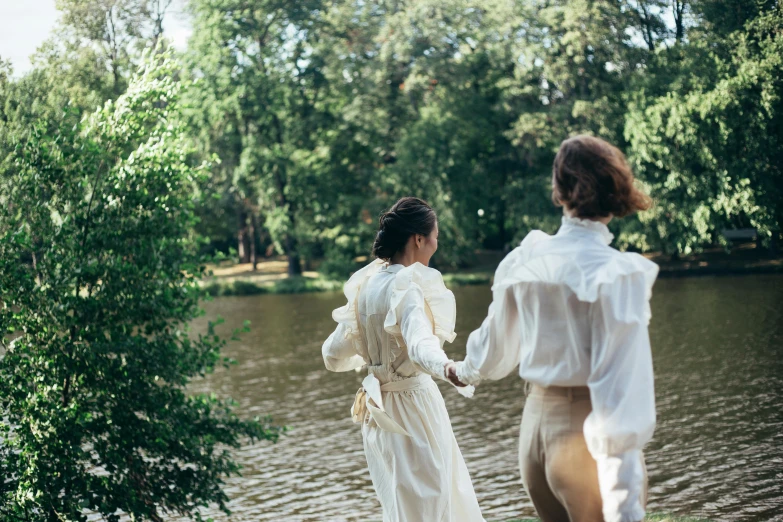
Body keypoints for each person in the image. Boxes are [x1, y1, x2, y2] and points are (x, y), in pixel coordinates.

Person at [451, 135, 659, 522]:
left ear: (559, 191)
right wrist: (627, 511)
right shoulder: (616, 273)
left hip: (534, 434)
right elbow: (622, 397)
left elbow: (495, 348)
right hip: (585, 437)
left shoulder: (526, 259)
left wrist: (461, 371)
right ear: (617, 187)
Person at [322, 197, 484, 522]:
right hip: (414, 410)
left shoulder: (365, 287)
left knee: (399, 506)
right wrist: (447, 368)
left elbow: (331, 355)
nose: (436, 244)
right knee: (434, 504)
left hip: (378, 412)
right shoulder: (407, 288)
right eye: (435, 236)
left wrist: (376, 366)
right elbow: (420, 344)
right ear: (419, 239)